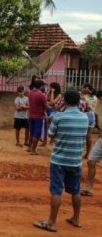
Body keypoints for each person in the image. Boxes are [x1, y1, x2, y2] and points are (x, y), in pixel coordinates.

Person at [33, 89, 88, 232]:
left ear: (65, 101)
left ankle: (51, 223)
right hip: (75, 160)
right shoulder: (85, 118)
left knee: (57, 191)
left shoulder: (59, 117)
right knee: (75, 191)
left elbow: (50, 135)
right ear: (78, 102)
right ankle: (76, 219)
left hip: (59, 159)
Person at [27, 79, 48, 155]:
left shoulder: (29, 93)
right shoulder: (41, 95)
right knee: (37, 133)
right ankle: (33, 150)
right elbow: (46, 106)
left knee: (31, 132)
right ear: (41, 86)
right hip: (39, 116)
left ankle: (29, 147)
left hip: (31, 114)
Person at [43, 82, 62, 146]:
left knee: (52, 126)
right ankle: (44, 141)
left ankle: (51, 140)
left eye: (51, 87)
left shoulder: (59, 95)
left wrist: (52, 93)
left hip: (53, 111)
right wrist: (48, 92)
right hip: (47, 110)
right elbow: (45, 100)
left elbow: (52, 102)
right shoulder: (49, 92)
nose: (50, 88)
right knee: (45, 125)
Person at [81, 83, 97, 159]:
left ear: (86, 88)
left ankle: (79, 152)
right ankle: (88, 153)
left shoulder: (83, 97)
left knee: (81, 135)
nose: (81, 89)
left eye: (82, 87)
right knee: (89, 136)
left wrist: (83, 92)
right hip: (92, 115)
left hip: (85, 115)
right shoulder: (95, 97)